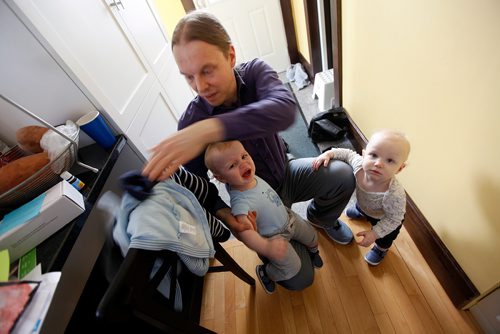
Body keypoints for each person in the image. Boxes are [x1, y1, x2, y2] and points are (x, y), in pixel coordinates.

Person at [142, 10, 355, 290]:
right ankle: (270, 266)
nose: (200, 86)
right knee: (301, 278)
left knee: (342, 175)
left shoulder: (254, 73)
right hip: (257, 208)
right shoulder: (191, 122)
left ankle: (320, 217)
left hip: (286, 172)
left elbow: (284, 110)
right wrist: (227, 215)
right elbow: (199, 186)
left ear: (230, 55)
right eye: (188, 77)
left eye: (207, 70)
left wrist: (210, 128)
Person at [205, 140, 323, 294]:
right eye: (232, 165)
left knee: (312, 235)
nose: (243, 164)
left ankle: (313, 252)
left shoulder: (252, 175)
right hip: (274, 238)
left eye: (244, 156)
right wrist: (266, 247)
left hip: (288, 217)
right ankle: (266, 272)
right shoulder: (240, 202)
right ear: (221, 178)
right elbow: (245, 233)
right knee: (291, 268)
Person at [312, 129, 411, 265]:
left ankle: (381, 249)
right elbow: (347, 154)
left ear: (400, 168)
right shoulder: (359, 166)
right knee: (364, 204)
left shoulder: (394, 194)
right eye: (374, 155)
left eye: (389, 160)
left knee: (386, 237)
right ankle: (361, 211)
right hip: (365, 204)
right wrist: (329, 153)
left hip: (384, 217)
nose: (378, 163)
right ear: (364, 155)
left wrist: (374, 233)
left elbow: (394, 219)